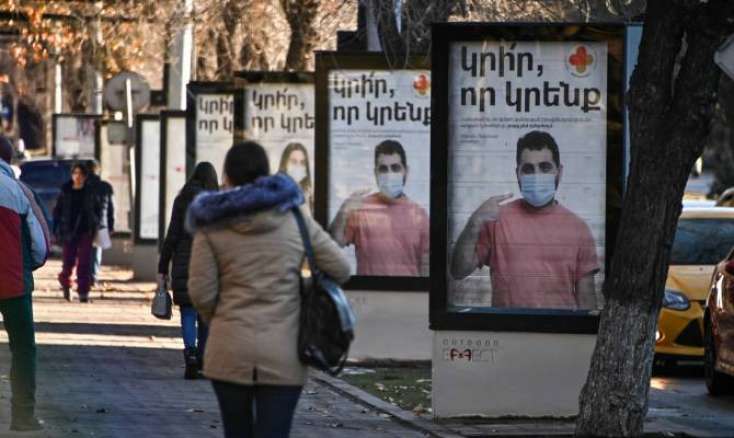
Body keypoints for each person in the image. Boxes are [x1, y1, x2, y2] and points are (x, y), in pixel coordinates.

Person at [187, 141, 350, 438]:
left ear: (227, 176)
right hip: (284, 352)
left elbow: (200, 292)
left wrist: (222, 319)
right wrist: (299, 290)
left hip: (229, 349)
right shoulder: (295, 218)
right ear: (266, 173)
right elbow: (341, 268)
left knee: (236, 432)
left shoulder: (211, 224)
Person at [450, 130, 599, 309]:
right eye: (528, 169)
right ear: (518, 174)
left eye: (545, 167)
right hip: (509, 325)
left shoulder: (578, 229)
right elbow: (458, 271)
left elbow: (586, 301)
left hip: (559, 326)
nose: (537, 176)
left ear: (559, 172)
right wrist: (474, 221)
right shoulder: (497, 220)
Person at [0, 135, 48, 431]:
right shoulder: (19, 190)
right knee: (23, 349)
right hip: (14, 283)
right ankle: (22, 416)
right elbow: (40, 244)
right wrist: (29, 266)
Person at [329, 140, 429, 276]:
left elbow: (426, 269)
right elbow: (333, 243)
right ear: (375, 173)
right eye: (383, 169)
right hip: (370, 289)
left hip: (407, 289)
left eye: (395, 168)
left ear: (406, 171)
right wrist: (343, 211)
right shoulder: (361, 208)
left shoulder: (420, 215)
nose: (389, 174)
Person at [158, 162, 218, 379]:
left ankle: (190, 355)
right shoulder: (214, 202)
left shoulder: (181, 199)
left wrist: (163, 267)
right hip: (206, 264)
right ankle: (202, 360)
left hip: (183, 261)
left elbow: (172, 234)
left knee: (188, 311)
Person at [53, 162, 101, 303]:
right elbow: (58, 210)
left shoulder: (90, 191)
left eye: (80, 174)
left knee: (84, 262)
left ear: (85, 176)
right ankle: (66, 284)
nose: (78, 176)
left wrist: (96, 224)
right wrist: (56, 229)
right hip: (68, 231)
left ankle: (83, 291)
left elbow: (97, 209)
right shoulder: (66, 190)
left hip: (86, 231)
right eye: (75, 173)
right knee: (68, 261)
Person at [85, 159, 114, 285]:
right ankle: (93, 276)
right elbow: (111, 208)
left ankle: (85, 276)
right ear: (98, 170)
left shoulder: (82, 185)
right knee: (96, 250)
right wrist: (111, 225)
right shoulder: (106, 187)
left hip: (84, 223)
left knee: (84, 250)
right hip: (101, 223)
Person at [278, 142, 313, 212]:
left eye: (302, 163)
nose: (298, 166)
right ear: (284, 163)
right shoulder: (275, 193)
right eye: (293, 162)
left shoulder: (309, 195)